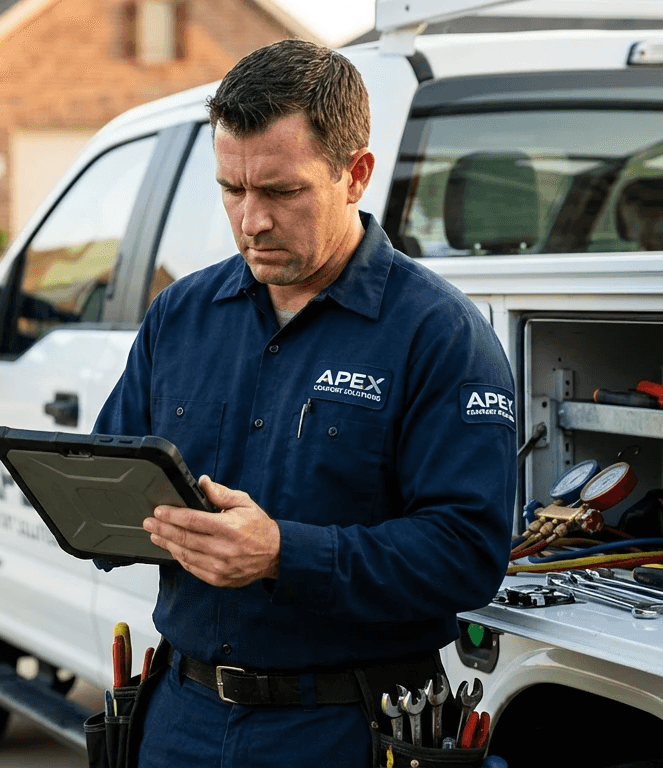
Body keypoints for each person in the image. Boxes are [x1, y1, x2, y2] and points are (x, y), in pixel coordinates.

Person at [93, 39, 516, 767]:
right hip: (179, 716)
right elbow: (115, 471)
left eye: (282, 192)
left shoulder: (440, 335)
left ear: (355, 176)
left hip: (346, 727)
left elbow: (466, 554)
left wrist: (285, 554)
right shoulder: (181, 315)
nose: (251, 220)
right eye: (232, 189)